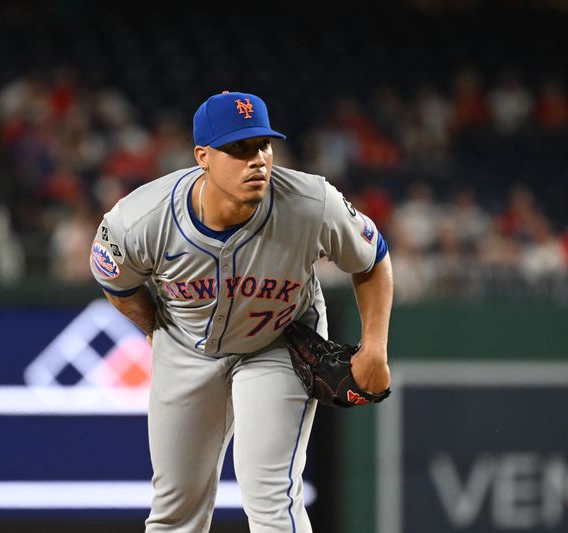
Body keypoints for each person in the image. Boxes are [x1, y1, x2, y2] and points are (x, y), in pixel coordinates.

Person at [89, 90, 393, 532]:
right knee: (176, 507)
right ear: (202, 157)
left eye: (262, 146)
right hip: (186, 347)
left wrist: (375, 348)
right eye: (238, 149)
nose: (257, 160)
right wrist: (155, 332)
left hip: (277, 341)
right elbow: (116, 282)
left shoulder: (311, 203)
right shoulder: (140, 220)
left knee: (270, 492)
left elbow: (372, 260)